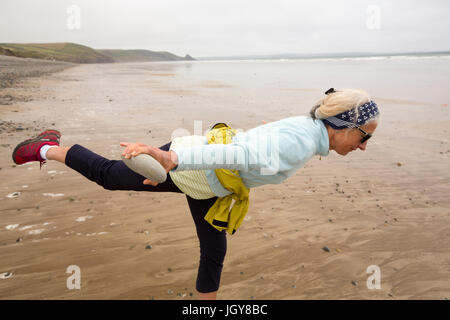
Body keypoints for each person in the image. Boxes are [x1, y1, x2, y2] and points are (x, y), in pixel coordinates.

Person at [12, 88, 380, 300]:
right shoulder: (301, 143)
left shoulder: (307, 129)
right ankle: (46, 148)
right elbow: (238, 154)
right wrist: (171, 159)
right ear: (342, 127)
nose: (364, 146)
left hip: (208, 180)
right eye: (365, 137)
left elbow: (254, 145)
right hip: (195, 171)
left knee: (214, 250)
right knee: (109, 174)